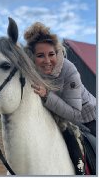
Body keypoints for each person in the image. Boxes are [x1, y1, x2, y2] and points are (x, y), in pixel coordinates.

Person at [24, 22, 96, 174]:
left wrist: (46, 95)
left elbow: (75, 114)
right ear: (32, 57)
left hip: (87, 119)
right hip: (58, 118)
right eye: (40, 55)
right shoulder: (32, 72)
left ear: (56, 52)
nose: (47, 61)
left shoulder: (69, 70)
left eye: (51, 54)